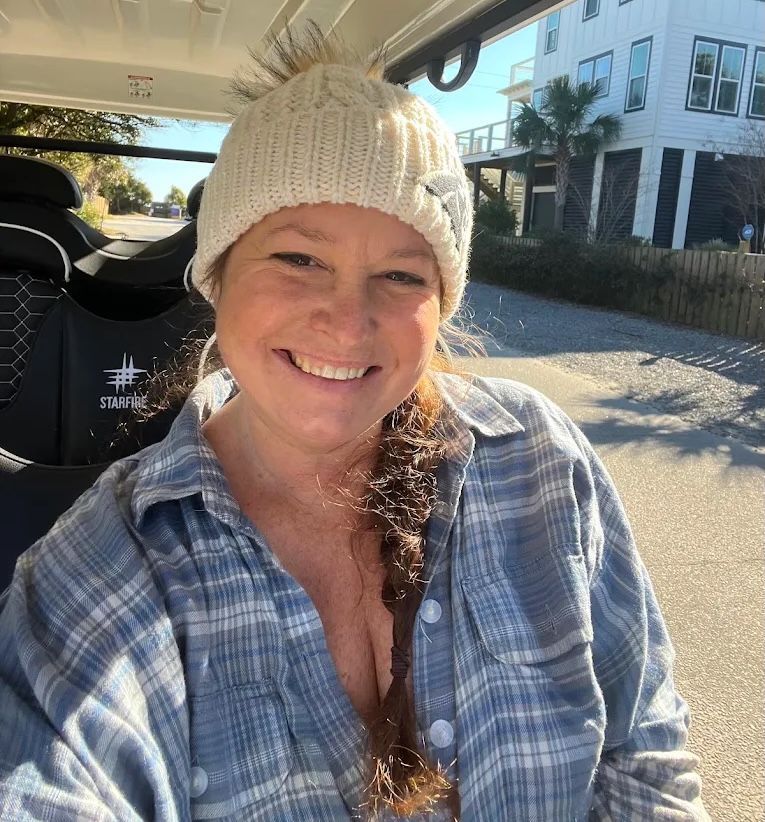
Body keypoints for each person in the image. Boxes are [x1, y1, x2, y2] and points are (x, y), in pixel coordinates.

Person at [0, 21, 706, 822]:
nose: (347, 320)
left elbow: (642, 750)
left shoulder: (539, 461)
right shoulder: (102, 573)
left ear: (442, 304)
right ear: (216, 274)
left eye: (401, 274)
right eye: (299, 258)